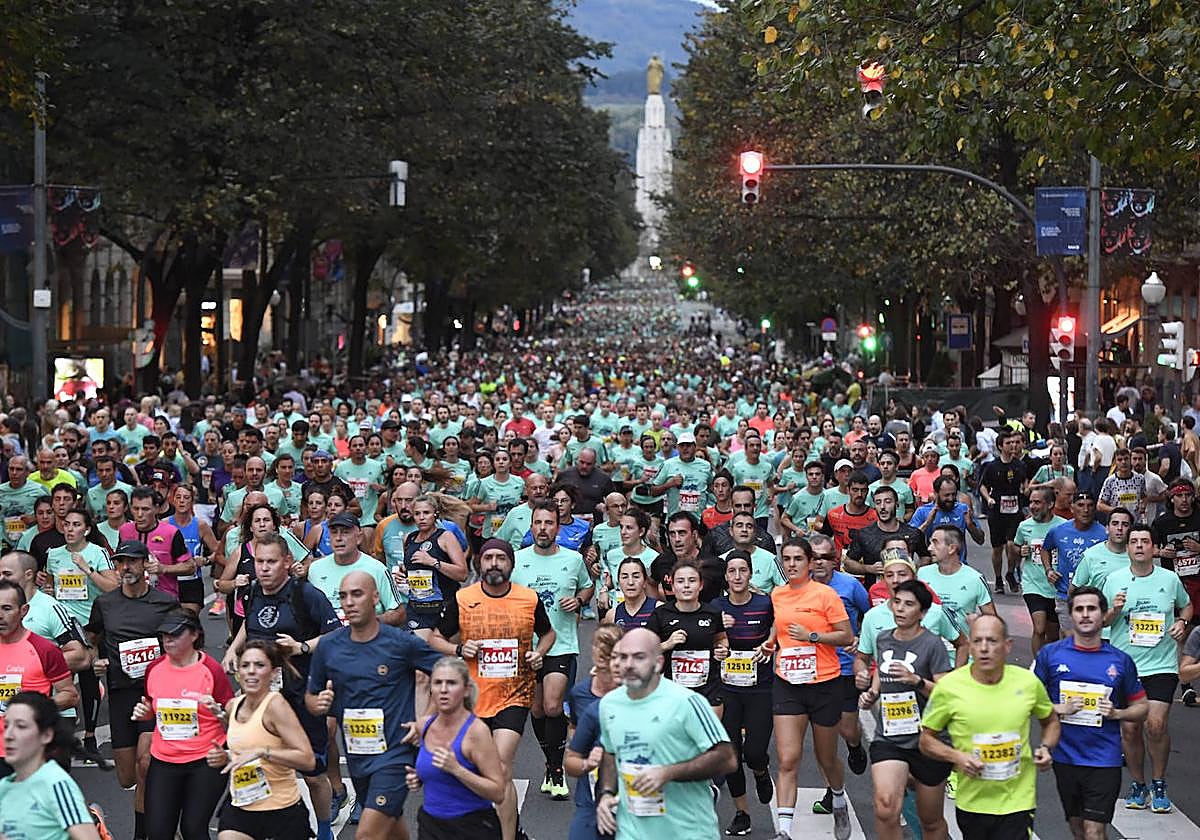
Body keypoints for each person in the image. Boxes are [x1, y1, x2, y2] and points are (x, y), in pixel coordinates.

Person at [430, 538, 555, 840]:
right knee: (478, 771)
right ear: (480, 564)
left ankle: (507, 836)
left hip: (515, 694)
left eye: (501, 557)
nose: (494, 563)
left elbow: (548, 634)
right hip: (473, 698)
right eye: (488, 558)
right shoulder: (463, 598)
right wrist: (459, 649)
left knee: (500, 767)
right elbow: (434, 638)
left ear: (511, 564)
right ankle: (506, 825)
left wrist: (539, 653)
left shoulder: (528, 598)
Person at [221, 532, 343, 840]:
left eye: (271, 562)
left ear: (287, 562)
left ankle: (325, 828)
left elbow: (336, 635)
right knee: (261, 759)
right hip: (263, 696)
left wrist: (301, 647)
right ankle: (269, 820)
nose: (264, 568)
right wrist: (233, 650)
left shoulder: (306, 595)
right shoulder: (249, 592)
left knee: (313, 773)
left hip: (302, 693)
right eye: (260, 561)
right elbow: (249, 625)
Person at [306, 571, 441, 840]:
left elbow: (448, 673)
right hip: (358, 755)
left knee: (367, 834)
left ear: (375, 597)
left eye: (357, 594)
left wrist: (426, 718)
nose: (349, 602)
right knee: (391, 826)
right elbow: (312, 697)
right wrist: (318, 704)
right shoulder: (329, 646)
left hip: (396, 755)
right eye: (344, 596)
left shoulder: (401, 643)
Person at [919, 614, 1059, 840]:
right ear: (970, 646)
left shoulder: (1028, 682)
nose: (984, 648)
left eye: (992, 641)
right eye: (977, 641)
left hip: (1018, 801)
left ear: (1007, 645)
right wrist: (957, 756)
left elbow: (1050, 720)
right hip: (973, 802)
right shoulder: (950, 687)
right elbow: (926, 740)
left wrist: (1045, 747)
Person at [594, 627, 737, 840]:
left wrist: (667, 773)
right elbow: (611, 753)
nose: (629, 664)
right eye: (623, 657)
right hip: (631, 831)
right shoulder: (609, 704)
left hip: (686, 832)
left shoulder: (687, 702)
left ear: (658, 663)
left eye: (639, 657)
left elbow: (727, 759)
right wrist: (606, 794)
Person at [1034, 587, 1148, 840]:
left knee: (1094, 830)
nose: (1085, 615)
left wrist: (1117, 713)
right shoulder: (1051, 655)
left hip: (1104, 759)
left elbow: (1143, 707)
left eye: (1092, 609)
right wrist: (1056, 708)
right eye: (1079, 609)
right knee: (1078, 828)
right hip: (1065, 757)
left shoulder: (1120, 660)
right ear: (1072, 615)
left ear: (1103, 614)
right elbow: (1028, 701)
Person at [85, 539, 180, 840]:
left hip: (156, 694)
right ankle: (161, 819)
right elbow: (91, 638)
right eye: (120, 562)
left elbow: (186, 641)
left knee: (146, 763)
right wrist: (96, 662)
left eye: (132, 561)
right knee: (128, 776)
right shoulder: (106, 603)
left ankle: (146, 833)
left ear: (144, 564)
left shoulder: (165, 602)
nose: (125, 567)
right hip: (121, 692)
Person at [1101, 524, 1191, 812]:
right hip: (1126, 666)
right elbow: (1101, 621)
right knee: (1129, 730)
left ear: (1153, 548)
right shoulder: (1114, 580)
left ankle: (1159, 782)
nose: (1139, 546)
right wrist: (1114, 610)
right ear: (1127, 548)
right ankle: (1139, 783)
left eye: (1145, 541)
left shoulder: (1170, 578)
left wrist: (1182, 622)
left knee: (1156, 725)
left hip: (1161, 664)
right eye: (1134, 542)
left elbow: (1186, 607)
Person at [769, 537, 855, 840]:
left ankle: (839, 797)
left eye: (798, 559)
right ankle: (785, 830)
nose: (792, 564)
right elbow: (778, 626)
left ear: (809, 563)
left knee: (825, 757)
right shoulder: (777, 594)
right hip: (788, 683)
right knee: (788, 759)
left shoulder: (825, 595)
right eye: (787, 559)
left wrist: (813, 636)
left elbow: (846, 636)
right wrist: (769, 643)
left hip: (824, 683)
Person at [855, 580, 952, 840]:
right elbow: (880, 672)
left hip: (927, 738)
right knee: (886, 808)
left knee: (930, 821)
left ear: (922, 612)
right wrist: (871, 692)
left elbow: (947, 694)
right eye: (896, 602)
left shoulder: (933, 644)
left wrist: (917, 681)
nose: (900, 609)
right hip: (890, 736)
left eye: (909, 604)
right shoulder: (884, 638)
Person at [511, 501, 593, 799]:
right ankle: (550, 761)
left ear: (558, 527)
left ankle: (557, 769)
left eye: (549, 523)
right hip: (526, 648)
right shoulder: (517, 560)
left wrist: (580, 601)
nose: (543, 529)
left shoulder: (573, 559)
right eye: (538, 523)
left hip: (562, 644)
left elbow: (587, 586)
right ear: (531, 527)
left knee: (552, 706)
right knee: (536, 709)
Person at [131, 611, 234, 840]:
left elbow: (233, 715)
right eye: (165, 635)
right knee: (157, 832)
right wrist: (145, 712)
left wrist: (220, 714)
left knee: (193, 830)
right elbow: (151, 706)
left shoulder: (211, 670)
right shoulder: (154, 669)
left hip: (205, 761)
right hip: (164, 761)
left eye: (176, 634)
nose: (168, 640)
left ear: (195, 635)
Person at [403, 656, 506, 839]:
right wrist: (418, 778)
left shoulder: (476, 732)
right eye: (437, 683)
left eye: (451, 683)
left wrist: (457, 770)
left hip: (472, 827)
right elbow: (435, 772)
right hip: (431, 824)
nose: (443, 690)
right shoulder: (424, 726)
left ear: (466, 690)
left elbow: (498, 793)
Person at [712, 551, 776, 836]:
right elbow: (706, 641)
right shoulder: (716, 607)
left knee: (754, 752)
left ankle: (762, 772)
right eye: (732, 571)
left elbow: (780, 629)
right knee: (731, 754)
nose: (737, 576)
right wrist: (718, 642)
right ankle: (742, 813)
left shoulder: (765, 604)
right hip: (727, 689)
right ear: (726, 577)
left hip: (760, 687)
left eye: (743, 571)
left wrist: (770, 644)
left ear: (751, 574)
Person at [0, 691, 102, 839]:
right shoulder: (5, 786)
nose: (8, 735)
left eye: (21, 726)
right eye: (6, 725)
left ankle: (93, 818)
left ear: (46, 735)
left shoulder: (55, 785)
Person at [564, 626, 624, 840]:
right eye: (597, 644)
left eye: (607, 646)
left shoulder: (634, 693)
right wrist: (586, 761)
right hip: (590, 794)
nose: (601, 651)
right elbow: (573, 733)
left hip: (632, 796)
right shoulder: (580, 694)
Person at [1041, 493, 1107, 635]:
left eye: (1089, 506)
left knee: (1090, 640)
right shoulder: (1058, 531)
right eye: (1081, 505)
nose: (1085, 510)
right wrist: (1049, 570)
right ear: (1072, 508)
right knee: (1070, 638)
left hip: (1094, 597)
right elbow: (1045, 549)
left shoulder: (1104, 534)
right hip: (1065, 596)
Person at [1014, 487, 1066, 654]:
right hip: (1032, 584)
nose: (1032, 506)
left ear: (1050, 504)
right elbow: (1016, 545)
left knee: (1052, 634)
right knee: (1039, 627)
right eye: (1031, 502)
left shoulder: (1063, 526)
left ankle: (1049, 663)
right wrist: (1020, 551)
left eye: (1037, 502)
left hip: (1056, 586)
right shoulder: (1024, 526)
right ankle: (1037, 666)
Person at [977, 430, 1028, 593]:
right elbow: (983, 486)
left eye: (1014, 442)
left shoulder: (1020, 465)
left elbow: (1025, 482)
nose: (1013, 445)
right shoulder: (992, 466)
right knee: (998, 547)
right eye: (1008, 443)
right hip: (997, 511)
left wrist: (1026, 490)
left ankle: (1011, 572)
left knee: (1013, 545)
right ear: (1000, 447)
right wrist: (988, 499)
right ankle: (998, 579)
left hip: (1015, 510)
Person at [602, 557, 658, 628]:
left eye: (636, 576)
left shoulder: (659, 610)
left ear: (645, 581)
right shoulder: (612, 615)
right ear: (619, 582)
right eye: (625, 577)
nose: (630, 582)